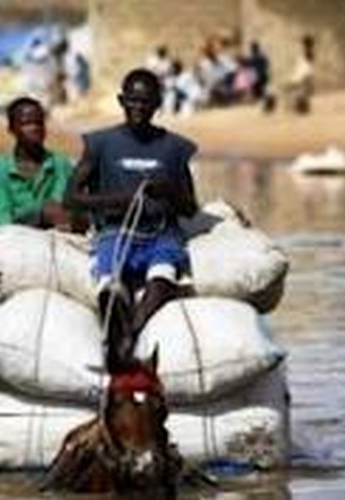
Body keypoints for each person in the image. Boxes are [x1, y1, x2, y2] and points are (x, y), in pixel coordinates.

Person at [65, 68, 198, 372]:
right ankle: (114, 340)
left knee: (162, 280)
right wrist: (117, 201)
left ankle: (131, 336)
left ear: (158, 104)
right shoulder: (100, 144)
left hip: (160, 235)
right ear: (121, 101)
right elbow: (71, 198)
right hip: (116, 232)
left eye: (146, 101)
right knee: (110, 288)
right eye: (133, 101)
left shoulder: (174, 148)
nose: (139, 107)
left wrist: (169, 190)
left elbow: (190, 208)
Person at [0, 97, 78, 256]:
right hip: (8, 228)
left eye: (39, 123)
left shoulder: (59, 163)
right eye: (26, 124)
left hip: (47, 229)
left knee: (58, 210)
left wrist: (45, 213)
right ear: (12, 129)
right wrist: (36, 214)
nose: (34, 129)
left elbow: (59, 205)